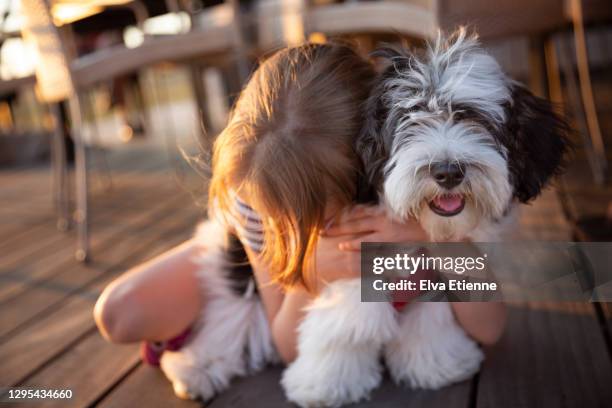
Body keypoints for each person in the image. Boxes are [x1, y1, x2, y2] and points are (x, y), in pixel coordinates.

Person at [94, 42, 506, 368]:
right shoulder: (257, 191)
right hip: (260, 268)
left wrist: (434, 237)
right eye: (284, 218)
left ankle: (205, 332)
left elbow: (490, 329)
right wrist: (311, 274)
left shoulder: (422, 180)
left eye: (315, 215)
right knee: (118, 313)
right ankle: (215, 327)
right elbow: (287, 346)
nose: (299, 225)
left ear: (367, 163)